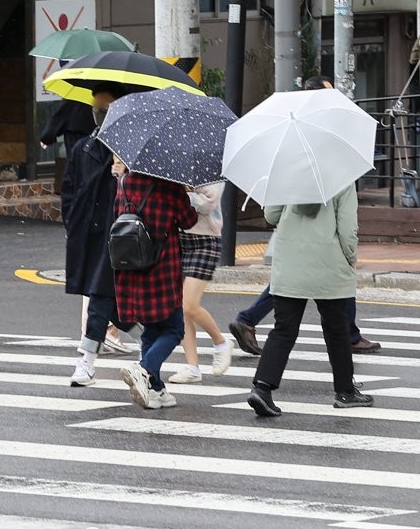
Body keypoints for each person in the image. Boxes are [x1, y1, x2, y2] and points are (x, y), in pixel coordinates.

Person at [229, 74, 381, 358]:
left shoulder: (288, 149)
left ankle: (249, 321)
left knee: (289, 290)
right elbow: (346, 221)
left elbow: (272, 213)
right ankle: (348, 342)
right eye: (329, 95)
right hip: (324, 244)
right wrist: (350, 252)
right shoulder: (327, 151)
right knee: (334, 280)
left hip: (292, 240)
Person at [247, 187, 375, 416]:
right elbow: (347, 227)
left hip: (290, 262)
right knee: (337, 329)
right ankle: (345, 391)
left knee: (283, 329)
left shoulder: (288, 174)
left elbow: (271, 216)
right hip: (328, 262)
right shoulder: (341, 178)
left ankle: (262, 388)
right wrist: (351, 256)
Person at [61, 82, 137, 388]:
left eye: (104, 109)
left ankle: (148, 351)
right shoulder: (85, 147)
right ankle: (89, 361)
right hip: (94, 235)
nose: (98, 115)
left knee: (110, 297)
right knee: (101, 295)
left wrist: (122, 176)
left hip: (126, 234)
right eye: (96, 109)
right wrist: (73, 223)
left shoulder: (131, 150)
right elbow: (69, 189)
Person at [112, 160, 198, 409]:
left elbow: (117, 215)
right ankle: (144, 368)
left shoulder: (124, 182)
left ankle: (156, 389)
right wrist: (184, 194)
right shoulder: (169, 186)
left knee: (150, 329)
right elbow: (188, 220)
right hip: (162, 267)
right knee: (174, 329)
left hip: (131, 264)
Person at [167, 183, 233, 384]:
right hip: (179, 239)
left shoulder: (210, 169)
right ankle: (192, 367)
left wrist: (179, 195)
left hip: (206, 241)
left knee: (189, 304)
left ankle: (221, 342)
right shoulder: (174, 170)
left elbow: (208, 202)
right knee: (180, 307)